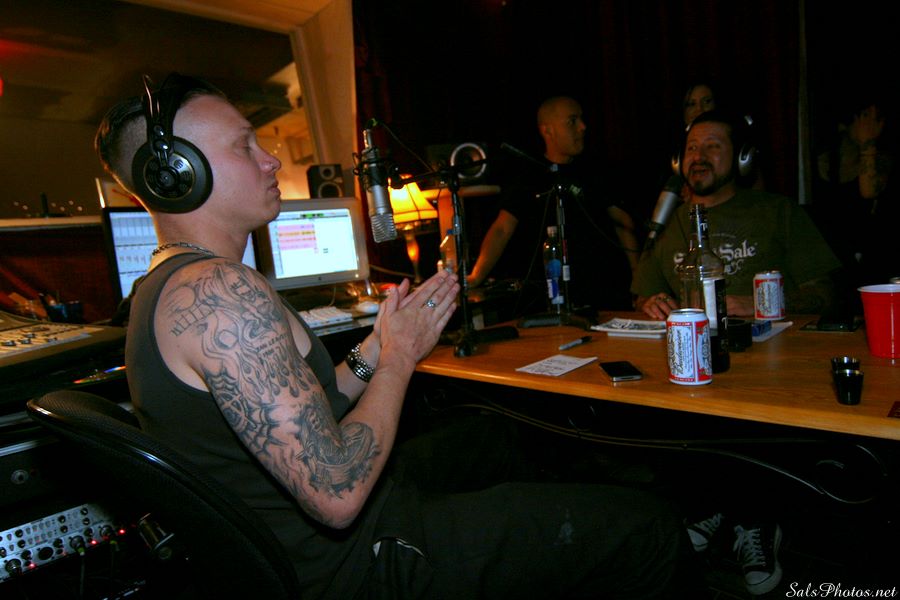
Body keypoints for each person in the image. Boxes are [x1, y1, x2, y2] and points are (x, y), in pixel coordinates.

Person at [95, 74, 705, 599]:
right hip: (356, 565)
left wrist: (377, 348)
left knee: (497, 438)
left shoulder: (173, 284)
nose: (271, 159)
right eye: (243, 144)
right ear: (179, 175)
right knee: (648, 528)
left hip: (325, 542)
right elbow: (336, 491)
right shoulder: (220, 294)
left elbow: (306, 413)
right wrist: (401, 360)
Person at [634, 109, 840, 320]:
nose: (698, 157)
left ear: (742, 157)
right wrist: (652, 305)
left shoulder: (780, 211)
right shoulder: (666, 222)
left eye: (713, 146)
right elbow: (642, 299)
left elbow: (824, 295)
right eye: (692, 148)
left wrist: (761, 304)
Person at [468, 96, 639, 311]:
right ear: (547, 131)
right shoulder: (529, 176)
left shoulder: (595, 170)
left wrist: (638, 277)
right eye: (572, 121)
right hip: (549, 296)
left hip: (602, 293)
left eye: (581, 119)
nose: (583, 127)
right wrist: (476, 276)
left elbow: (622, 223)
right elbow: (502, 229)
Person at [812, 93, 897, 307]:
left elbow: (868, 192)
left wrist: (867, 144)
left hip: (872, 257)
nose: (872, 125)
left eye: (877, 119)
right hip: (833, 258)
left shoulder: (882, 159)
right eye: (866, 116)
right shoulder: (825, 158)